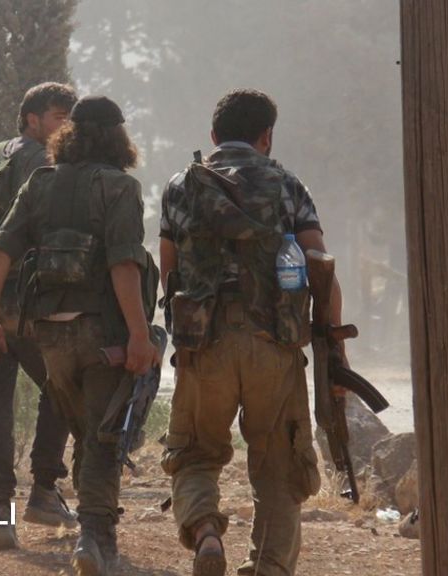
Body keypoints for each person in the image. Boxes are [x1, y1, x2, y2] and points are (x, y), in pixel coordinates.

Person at [0, 95, 158, 576]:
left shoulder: (41, 181)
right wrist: (140, 334)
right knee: (102, 437)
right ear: (118, 138)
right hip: (103, 336)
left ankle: (87, 525)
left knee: (84, 428)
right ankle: (95, 537)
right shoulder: (121, 187)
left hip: (50, 336)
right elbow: (124, 264)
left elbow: (0, 250)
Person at [158, 89, 337, 576]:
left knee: (194, 453)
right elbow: (319, 262)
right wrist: (331, 343)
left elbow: (169, 270)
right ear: (266, 137)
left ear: (213, 135)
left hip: (204, 345)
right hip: (273, 343)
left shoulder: (180, 186)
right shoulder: (288, 185)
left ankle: (206, 532)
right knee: (279, 463)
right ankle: (270, 567)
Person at [0, 82, 79, 551]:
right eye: (60, 117)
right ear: (32, 119)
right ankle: (44, 490)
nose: (67, 127)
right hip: (28, 304)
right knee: (64, 389)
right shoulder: (48, 163)